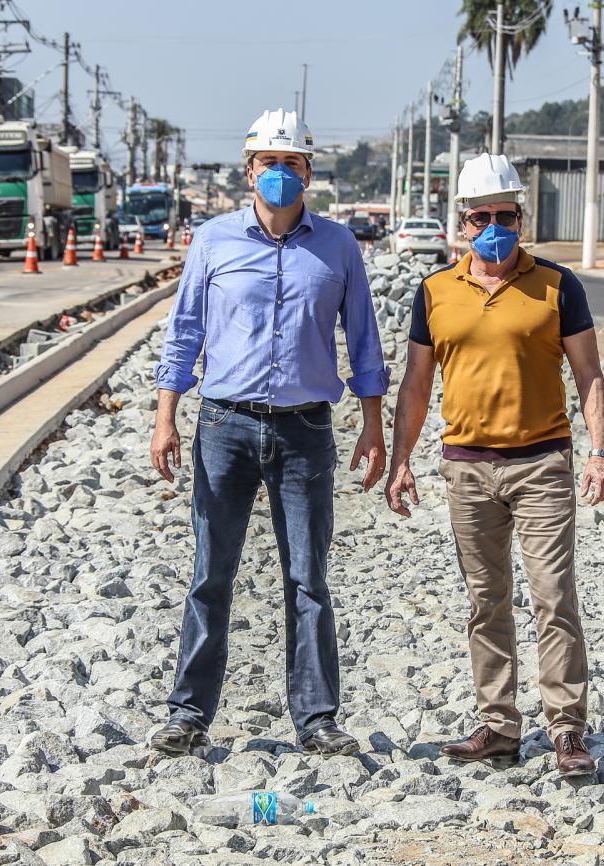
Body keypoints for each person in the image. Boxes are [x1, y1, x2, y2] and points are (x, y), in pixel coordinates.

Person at [148, 108, 390, 758]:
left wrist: (374, 428)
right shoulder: (212, 241)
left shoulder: (338, 247)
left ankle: (317, 720)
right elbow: (185, 332)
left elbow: (364, 343)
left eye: (291, 164)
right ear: (247, 171)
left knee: (308, 579)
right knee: (210, 573)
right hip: (223, 426)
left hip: (305, 432)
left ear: (309, 173)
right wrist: (165, 415)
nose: (278, 175)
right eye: (267, 164)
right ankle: (187, 714)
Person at [384, 153, 604, 776]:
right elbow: (416, 383)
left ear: (522, 218)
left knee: (553, 597)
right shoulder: (434, 291)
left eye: (506, 215)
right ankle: (498, 728)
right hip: (467, 468)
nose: (495, 226)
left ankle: (567, 731)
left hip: (542, 462)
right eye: (482, 216)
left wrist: (600, 452)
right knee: (486, 601)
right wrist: (400, 460)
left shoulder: (558, 285)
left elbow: (589, 373)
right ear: (463, 224)